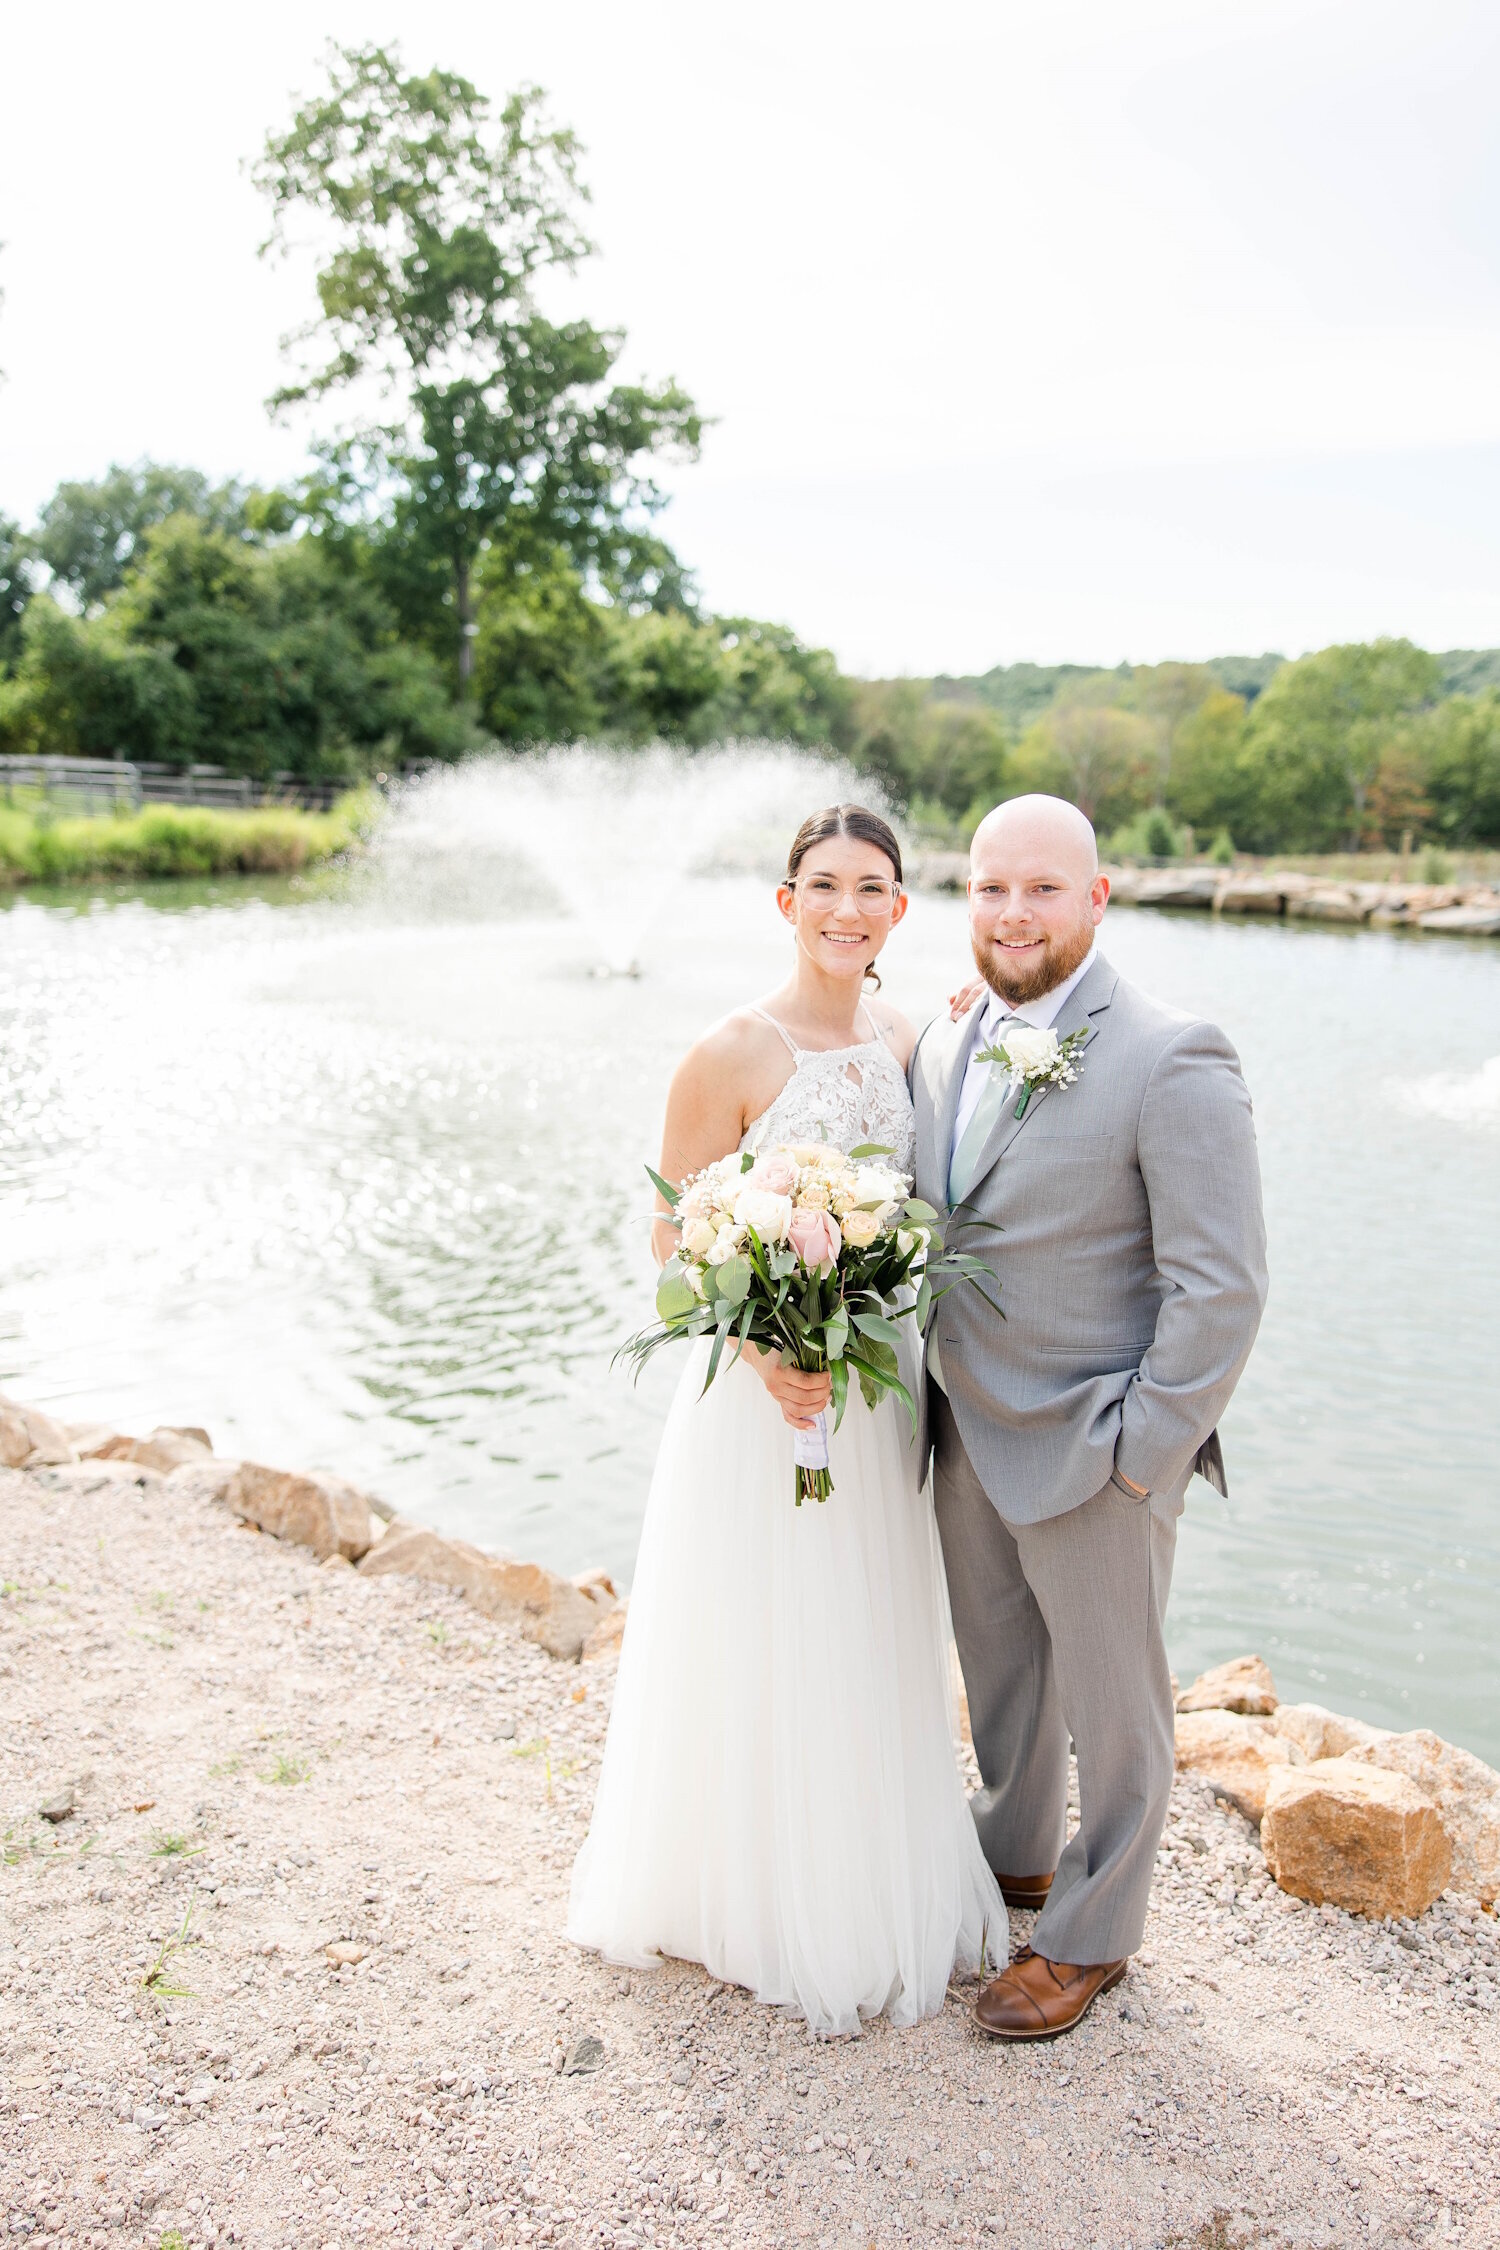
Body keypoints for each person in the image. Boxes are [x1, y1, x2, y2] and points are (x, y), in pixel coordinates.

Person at [568, 805, 1005, 2035]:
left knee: (864, 1621)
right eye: (824, 885)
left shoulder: (916, 1037)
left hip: (873, 1393)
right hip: (764, 1404)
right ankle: (740, 1890)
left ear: (901, 911)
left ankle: (864, 1872)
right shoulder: (729, 1054)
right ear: (785, 901)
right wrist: (766, 1352)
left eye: (874, 887)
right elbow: (672, 1242)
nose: (848, 908)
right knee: (757, 1620)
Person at [910, 793, 1268, 2041]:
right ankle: (1013, 1855)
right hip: (964, 1431)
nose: (1015, 912)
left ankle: (1091, 1936)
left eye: (1044, 888)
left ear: (1098, 899)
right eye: (993, 887)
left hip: (1096, 1442)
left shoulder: (1174, 1053)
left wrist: (1143, 1456)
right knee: (1003, 1676)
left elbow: (1221, 1285)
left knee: (1119, 1712)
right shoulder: (946, 1041)